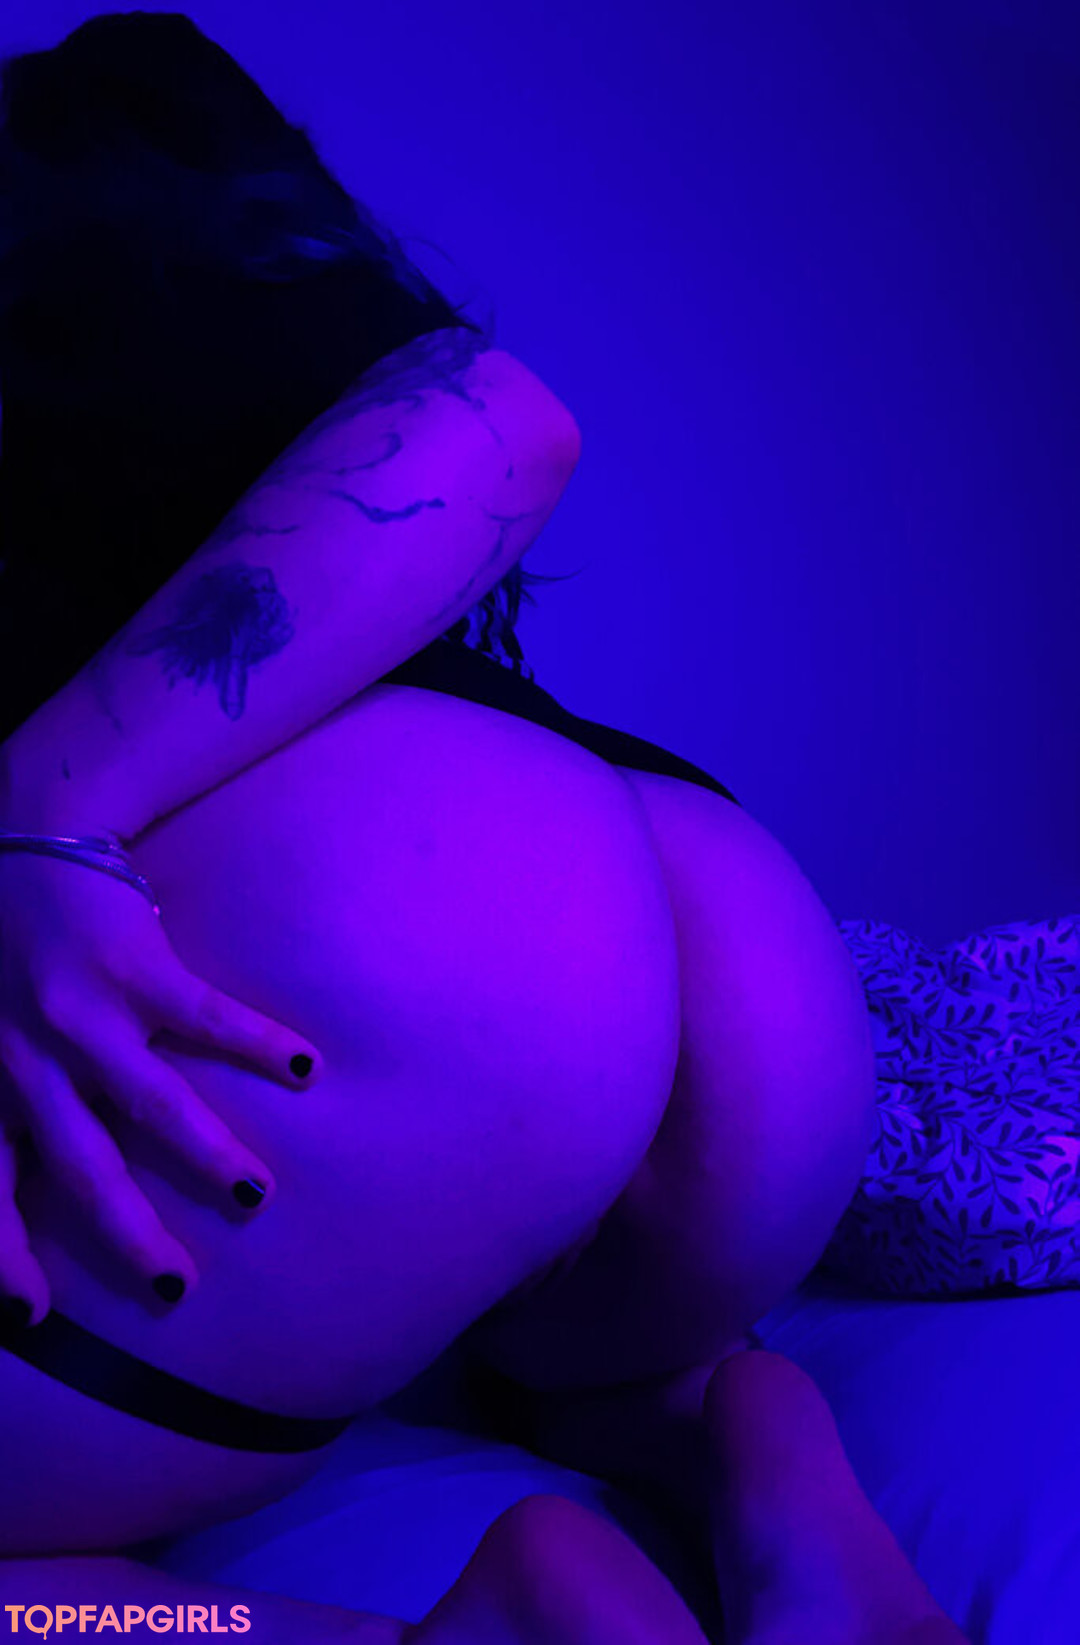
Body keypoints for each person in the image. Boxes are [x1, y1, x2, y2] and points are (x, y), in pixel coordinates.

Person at [0, 14, 970, 1643]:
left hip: (407, 937)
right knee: (562, 1355)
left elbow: (497, 417)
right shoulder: (237, 299)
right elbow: (486, 417)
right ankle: (755, 1436)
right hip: (728, 945)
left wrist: (45, 816)